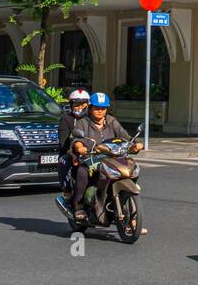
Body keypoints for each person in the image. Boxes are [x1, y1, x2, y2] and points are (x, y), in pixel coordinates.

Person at [68, 91, 142, 222]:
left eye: (103, 108)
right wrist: (80, 147)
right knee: (82, 172)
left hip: (112, 157)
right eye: (97, 108)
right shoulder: (83, 123)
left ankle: (132, 220)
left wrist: (135, 145)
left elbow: (125, 137)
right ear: (90, 108)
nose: (100, 111)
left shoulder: (112, 121)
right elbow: (76, 140)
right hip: (91, 157)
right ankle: (78, 205)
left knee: (132, 167)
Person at [58, 89, 89, 192]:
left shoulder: (92, 118)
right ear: (71, 105)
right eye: (76, 104)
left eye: (83, 104)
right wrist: (73, 154)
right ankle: (67, 191)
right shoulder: (66, 119)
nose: (80, 107)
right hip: (72, 152)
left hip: (92, 152)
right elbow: (63, 141)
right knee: (64, 161)